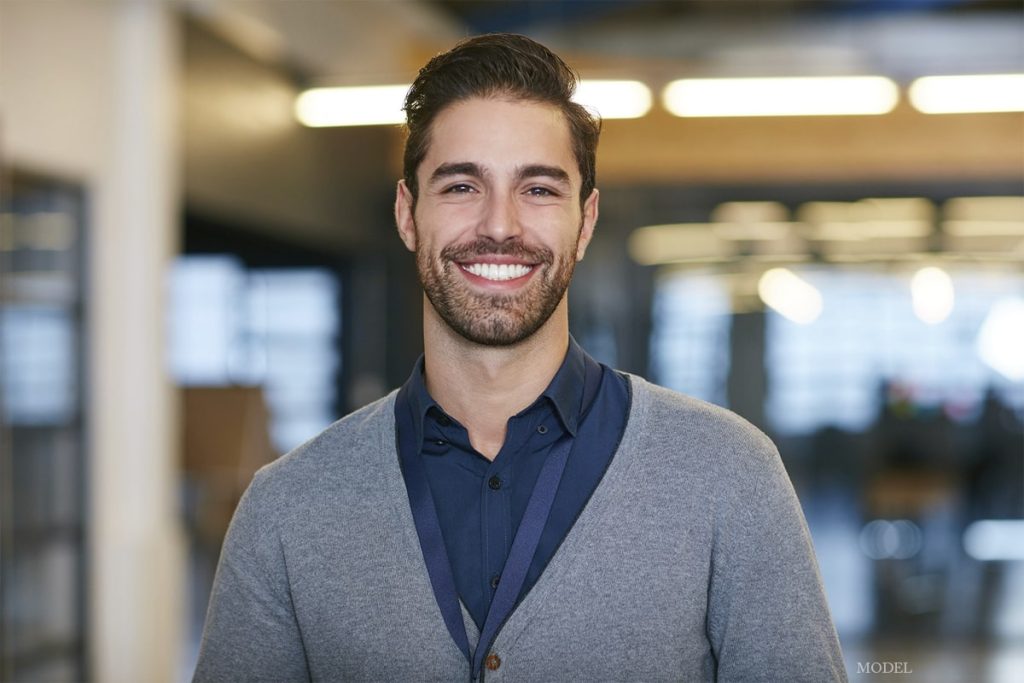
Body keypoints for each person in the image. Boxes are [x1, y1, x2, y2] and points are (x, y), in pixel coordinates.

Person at [194, 33, 847, 682]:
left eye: (538, 189)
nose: (501, 224)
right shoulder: (285, 510)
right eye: (460, 187)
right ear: (407, 214)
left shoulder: (729, 474)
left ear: (585, 221)